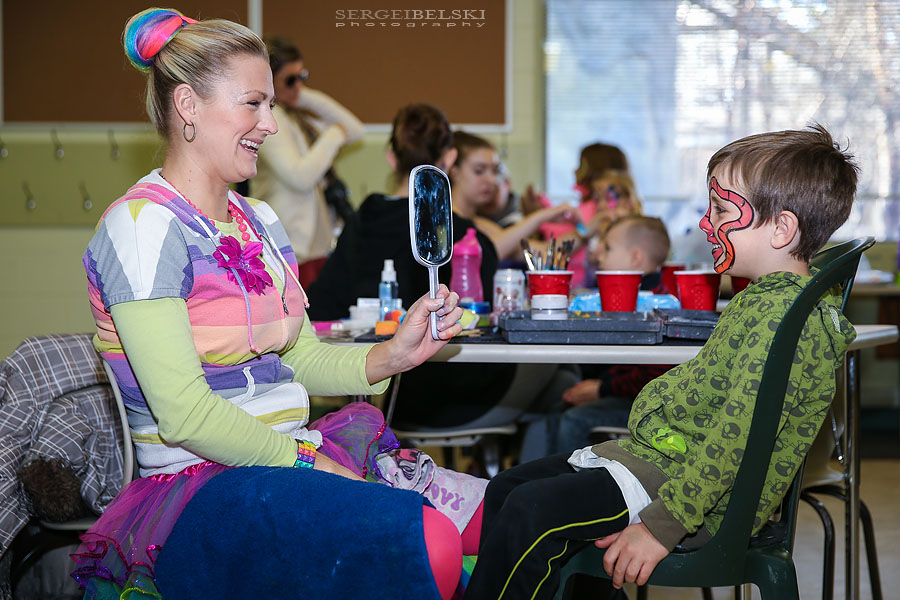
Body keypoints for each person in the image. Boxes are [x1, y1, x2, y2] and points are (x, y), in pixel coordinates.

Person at [72, 11, 482, 599]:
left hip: (290, 458)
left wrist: (393, 355)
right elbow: (185, 416)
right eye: (253, 104)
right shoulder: (142, 228)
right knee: (432, 545)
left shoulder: (259, 220)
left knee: (500, 519)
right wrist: (309, 462)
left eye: (270, 105)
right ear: (188, 105)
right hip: (205, 486)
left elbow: (300, 357)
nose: (270, 124)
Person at [464, 124, 860, 599]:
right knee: (507, 487)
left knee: (532, 510)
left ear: (782, 228)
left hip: (683, 498)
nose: (705, 224)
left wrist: (659, 527)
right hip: (657, 466)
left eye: (720, 210)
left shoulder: (786, 321)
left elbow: (736, 441)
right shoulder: (766, 302)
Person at [308, 106, 576, 463]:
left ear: (391, 158)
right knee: (565, 377)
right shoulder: (457, 236)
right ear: (450, 159)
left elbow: (322, 306)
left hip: (386, 394)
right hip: (454, 391)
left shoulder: (361, 223)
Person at [555, 216, 675, 454]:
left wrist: (603, 388)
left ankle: (566, 485)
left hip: (649, 405)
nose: (598, 255)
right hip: (622, 389)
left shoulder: (658, 307)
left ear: (635, 259)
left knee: (571, 418)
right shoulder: (621, 301)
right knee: (557, 402)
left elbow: (655, 376)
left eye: (607, 248)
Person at [252, 36, 364, 287]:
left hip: (311, 246)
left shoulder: (294, 118)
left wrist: (302, 95)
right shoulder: (269, 121)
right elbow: (300, 177)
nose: (297, 85)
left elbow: (355, 129)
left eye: (302, 76)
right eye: (290, 80)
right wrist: (333, 135)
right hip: (288, 241)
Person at [451, 131, 580, 261]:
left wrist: (584, 232)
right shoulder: (447, 225)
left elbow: (544, 254)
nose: (491, 180)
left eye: (494, 171)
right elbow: (488, 254)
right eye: (479, 170)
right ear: (454, 171)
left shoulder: (482, 226)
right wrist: (541, 216)